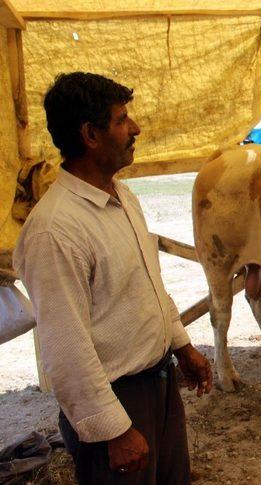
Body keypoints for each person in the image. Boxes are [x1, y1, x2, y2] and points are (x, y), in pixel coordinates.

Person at [13, 72, 213, 484]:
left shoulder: (122, 197)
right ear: (90, 134)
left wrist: (182, 345)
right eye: (122, 120)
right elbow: (65, 348)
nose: (135, 128)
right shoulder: (55, 229)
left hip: (157, 385)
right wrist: (114, 429)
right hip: (117, 400)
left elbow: (149, 287)